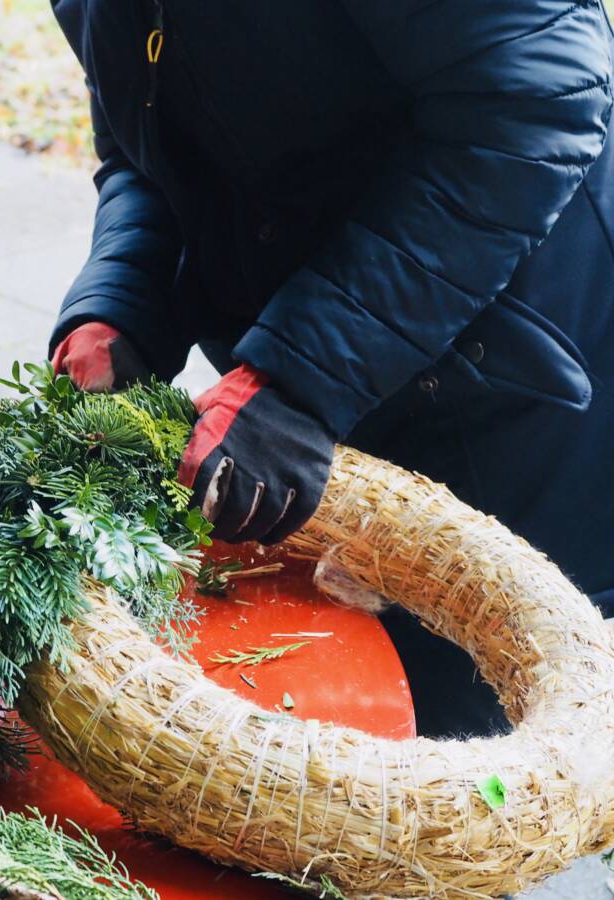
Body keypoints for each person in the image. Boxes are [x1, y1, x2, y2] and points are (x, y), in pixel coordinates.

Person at [48, 0, 614, 737]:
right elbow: (149, 147)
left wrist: (303, 376)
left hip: (510, 372)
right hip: (312, 384)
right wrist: (120, 301)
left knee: (473, 761)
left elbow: (535, 100)